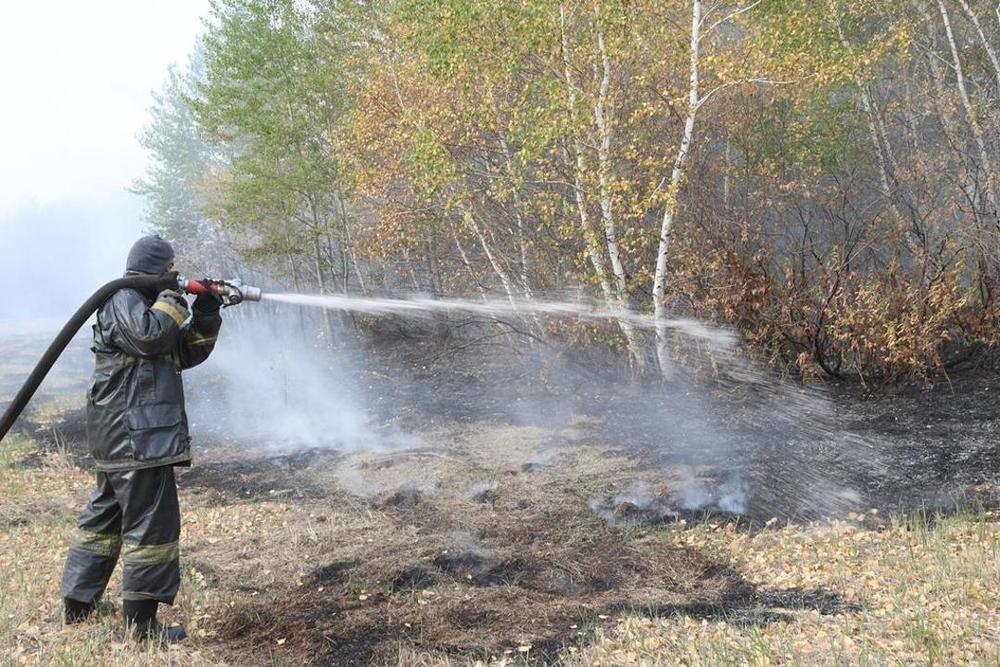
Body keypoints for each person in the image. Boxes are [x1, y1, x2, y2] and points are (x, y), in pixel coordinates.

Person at [60, 235, 224, 642]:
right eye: (170, 266)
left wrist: (206, 312)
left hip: (127, 434)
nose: (176, 273)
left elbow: (183, 353)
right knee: (152, 528)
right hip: (135, 436)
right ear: (155, 267)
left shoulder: (143, 302)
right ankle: (142, 627)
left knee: (104, 520)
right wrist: (173, 297)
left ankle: (79, 604)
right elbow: (151, 336)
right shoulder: (125, 298)